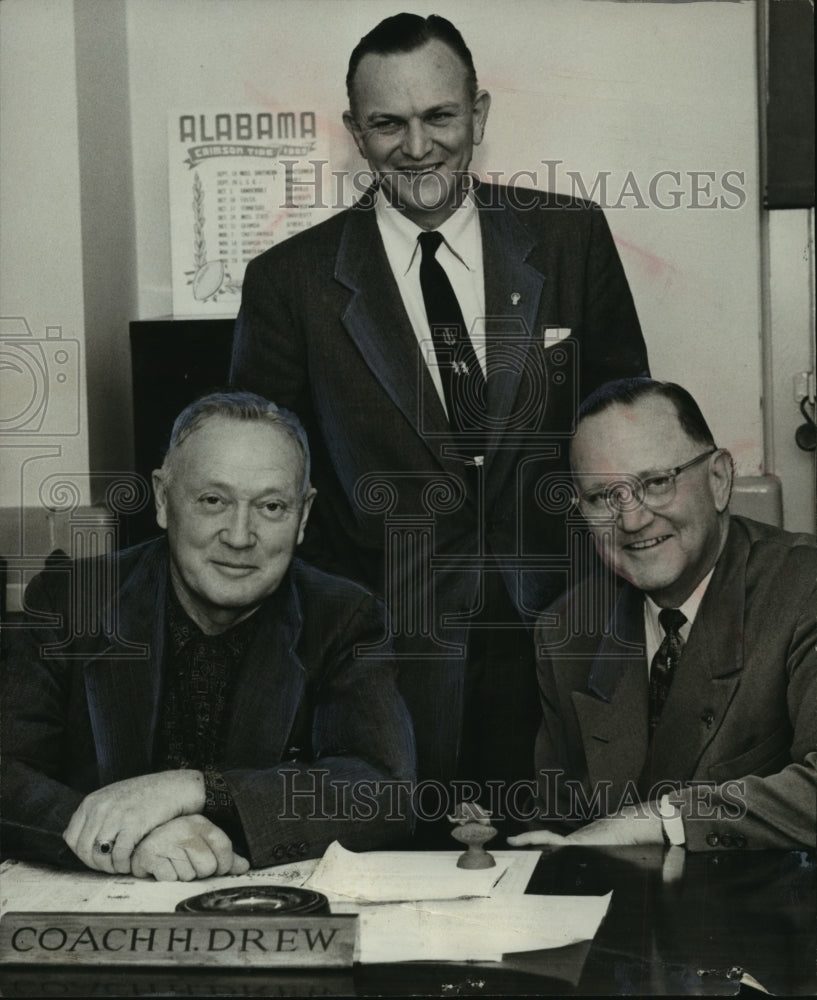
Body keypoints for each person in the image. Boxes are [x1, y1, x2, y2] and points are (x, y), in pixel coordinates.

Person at [230, 12, 648, 816]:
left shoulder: (569, 237)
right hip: (388, 649)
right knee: (405, 885)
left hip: (566, 629)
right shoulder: (290, 280)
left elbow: (623, 423)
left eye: (439, 116)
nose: (416, 147)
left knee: (571, 877)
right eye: (387, 122)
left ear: (478, 115)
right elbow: (266, 473)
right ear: (355, 132)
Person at [1, 391, 416, 880]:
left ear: (303, 516)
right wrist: (129, 838)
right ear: (162, 498)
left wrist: (195, 788)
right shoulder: (72, 600)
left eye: (271, 506)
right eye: (213, 500)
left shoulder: (344, 617)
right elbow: (7, 771)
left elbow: (384, 793)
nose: (239, 536)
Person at [509, 378, 816, 851]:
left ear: (718, 480)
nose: (632, 520)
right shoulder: (566, 631)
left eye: (655, 483)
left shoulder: (803, 588)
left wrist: (664, 820)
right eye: (602, 497)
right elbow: (561, 826)